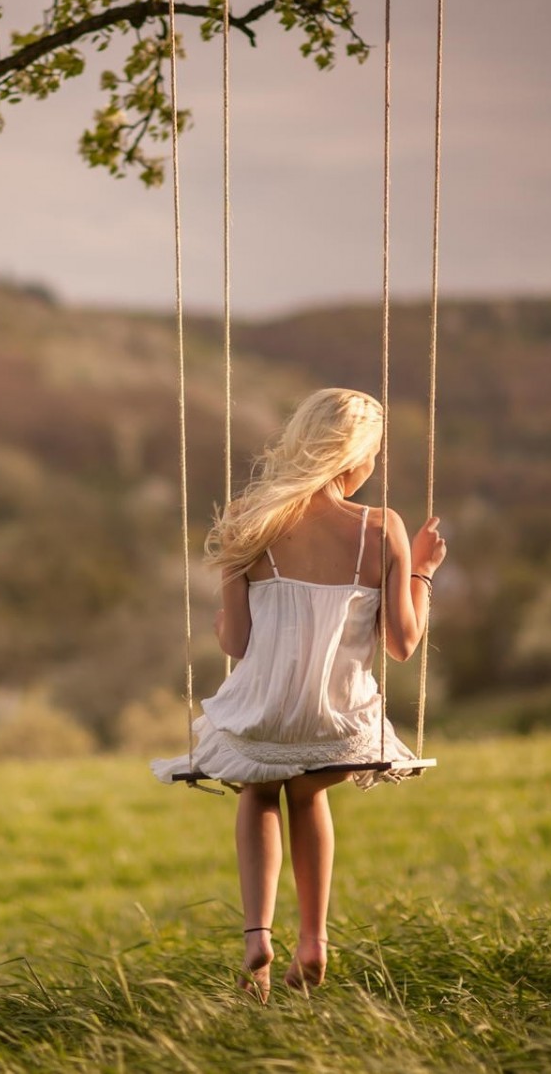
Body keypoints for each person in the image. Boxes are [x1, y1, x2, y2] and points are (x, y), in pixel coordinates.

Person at [152, 387, 446, 999]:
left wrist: (226, 618)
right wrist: (420, 571)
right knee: (309, 797)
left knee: (260, 793)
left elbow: (234, 641)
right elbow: (402, 644)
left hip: (264, 711)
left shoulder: (247, 519)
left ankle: (258, 935)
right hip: (338, 719)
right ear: (356, 458)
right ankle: (314, 939)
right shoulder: (380, 528)